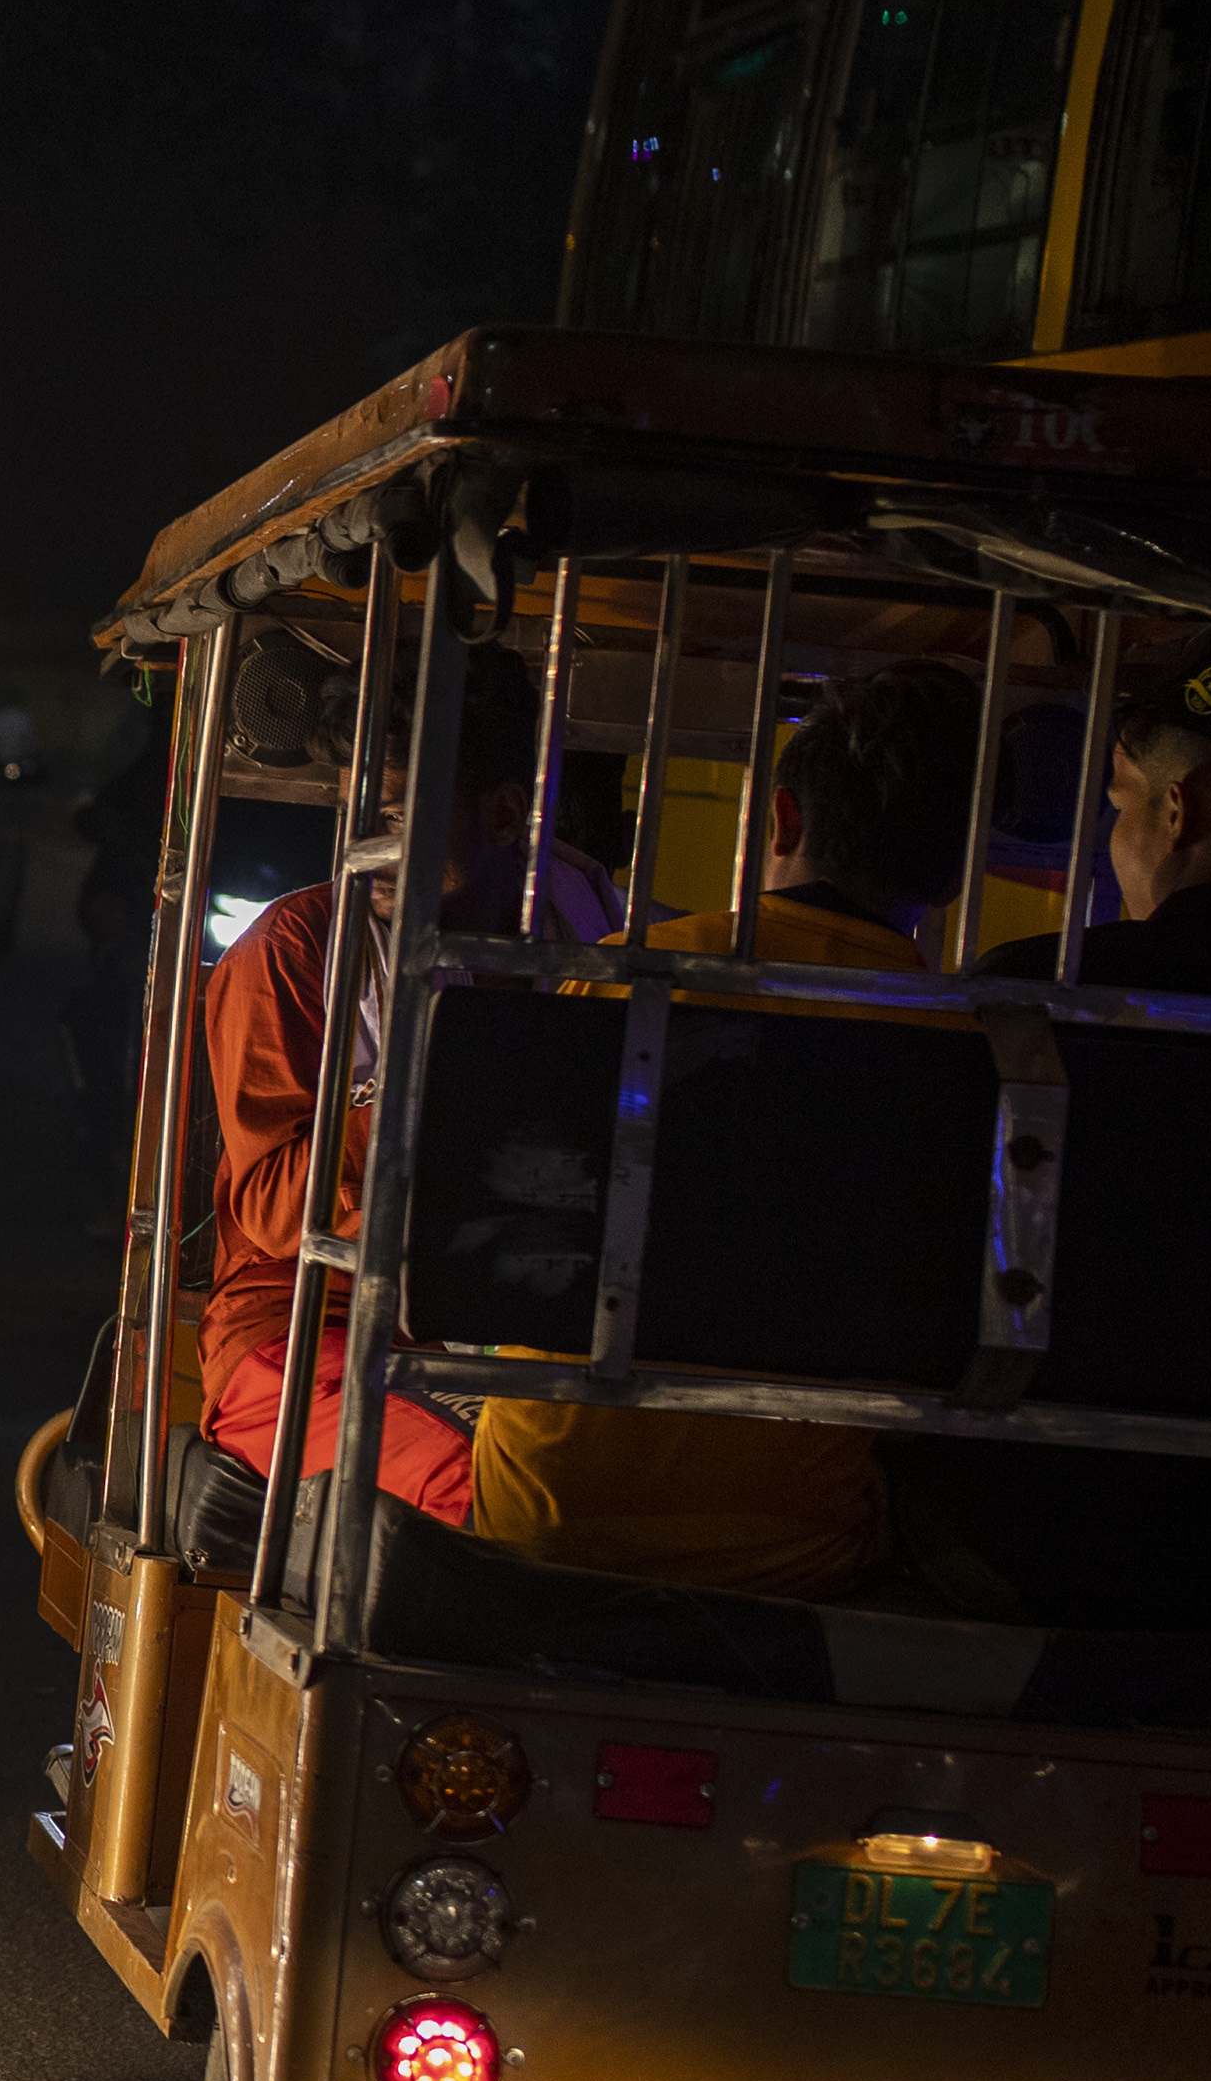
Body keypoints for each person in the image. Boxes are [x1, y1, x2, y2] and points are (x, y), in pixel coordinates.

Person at [890, 628, 1211, 1628]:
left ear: (1181, 807)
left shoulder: (1025, 995)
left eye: (1120, 803)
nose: (1113, 835)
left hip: (1011, 1540)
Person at [468, 660, 979, 1600]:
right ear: (950, 875)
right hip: (791, 1553)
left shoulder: (628, 972)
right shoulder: (962, 1039)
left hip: (545, 1511)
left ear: (780, 819)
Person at [198, 641, 622, 1524]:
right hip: (311, 1323)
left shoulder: (586, 923)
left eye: (390, 815)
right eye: (352, 813)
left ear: (506, 815)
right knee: (494, 1489)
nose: (363, 847)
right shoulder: (293, 951)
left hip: (524, 1309)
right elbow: (275, 1207)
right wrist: (424, 1084)